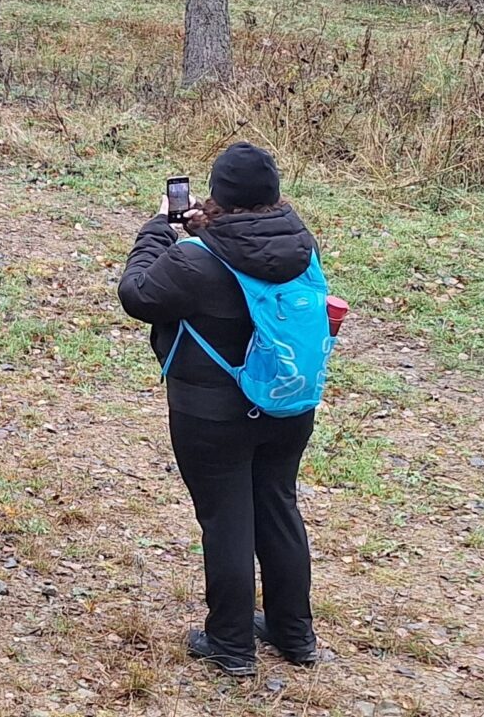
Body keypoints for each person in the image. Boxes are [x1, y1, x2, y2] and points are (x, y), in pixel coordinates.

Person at [121, 142, 322, 677]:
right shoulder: (299, 243)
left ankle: (230, 644)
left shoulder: (192, 260)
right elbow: (247, 258)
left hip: (213, 412)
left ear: (220, 194)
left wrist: (155, 231)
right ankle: (293, 633)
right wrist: (202, 235)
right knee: (277, 506)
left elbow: (138, 294)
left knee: (226, 518)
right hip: (286, 401)